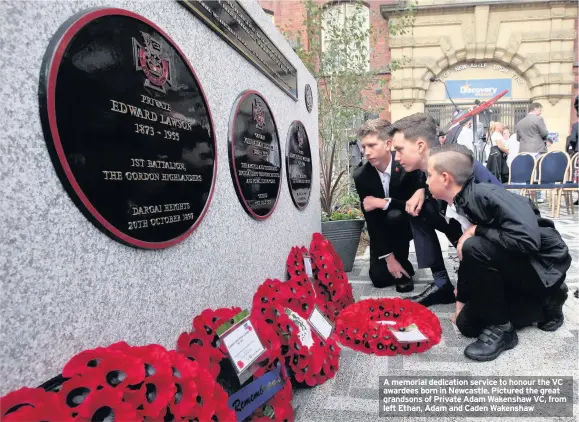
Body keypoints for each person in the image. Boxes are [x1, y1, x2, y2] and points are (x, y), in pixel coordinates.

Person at [425, 144, 570, 361]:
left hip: (541, 267)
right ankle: (544, 302)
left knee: (474, 245)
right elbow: (469, 260)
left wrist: (478, 230)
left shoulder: (486, 195)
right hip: (514, 266)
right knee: (467, 325)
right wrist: (461, 304)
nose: (425, 181)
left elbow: (527, 241)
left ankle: (504, 329)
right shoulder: (458, 204)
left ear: (445, 178)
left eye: (428, 175)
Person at [388, 113, 502, 307]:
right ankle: (442, 284)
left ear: (420, 146)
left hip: (496, 237)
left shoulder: (461, 166)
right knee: (416, 209)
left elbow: (502, 216)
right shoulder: (421, 170)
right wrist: (422, 189)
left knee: (473, 316)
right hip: (464, 229)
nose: (396, 158)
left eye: (399, 150)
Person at [354, 119, 424, 292]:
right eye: (363, 147)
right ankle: (398, 264)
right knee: (378, 278)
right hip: (381, 228)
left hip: (405, 222)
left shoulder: (406, 165)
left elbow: (412, 206)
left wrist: (384, 203)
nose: (366, 153)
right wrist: (388, 258)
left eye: (371, 145)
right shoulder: (361, 176)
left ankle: (403, 267)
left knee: (395, 216)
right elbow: (372, 220)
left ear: (388, 144)